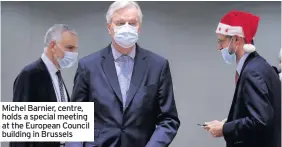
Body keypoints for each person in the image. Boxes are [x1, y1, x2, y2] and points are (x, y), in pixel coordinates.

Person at [66, 1, 180, 147]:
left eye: (132, 23)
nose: (127, 28)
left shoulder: (158, 66)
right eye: (120, 23)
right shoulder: (88, 66)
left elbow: (169, 120)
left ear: (139, 28)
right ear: (109, 27)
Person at [204, 11, 281, 147]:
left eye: (221, 41)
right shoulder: (260, 66)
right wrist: (229, 122)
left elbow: (261, 120)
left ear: (237, 40)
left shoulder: (252, 72)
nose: (218, 47)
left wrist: (224, 129)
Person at [11, 24, 78, 147]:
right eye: (69, 48)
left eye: (75, 49)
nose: (74, 54)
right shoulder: (30, 75)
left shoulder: (57, 76)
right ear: (53, 46)